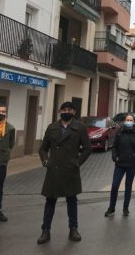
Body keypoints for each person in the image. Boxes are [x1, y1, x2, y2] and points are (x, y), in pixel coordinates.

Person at [37, 102, 91, 245]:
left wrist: (77, 162)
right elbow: (43, 149)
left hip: (70, 170)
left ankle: (73, 229)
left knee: (72, 201)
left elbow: (87, 149)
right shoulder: (52, 127)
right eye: (64, 109)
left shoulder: (80, 128)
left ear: (74, 112)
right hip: (54, 170)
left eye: (69, 110)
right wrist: (45, 161)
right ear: (60, 111)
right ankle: (45, 230)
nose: (66, 111)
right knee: (50, 201)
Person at [105, 113, 135, 217]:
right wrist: (115, 156)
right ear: (124, 120)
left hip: (132, 164)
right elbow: (114, 146)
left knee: (128, 186)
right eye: (127, 119)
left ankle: (125, 208)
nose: (129, 121)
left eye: (131, 120)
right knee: (114, 186)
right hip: (120, 163)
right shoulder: (119, 131)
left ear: (134, 121)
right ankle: (111, 208)